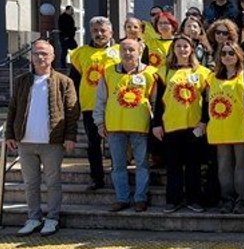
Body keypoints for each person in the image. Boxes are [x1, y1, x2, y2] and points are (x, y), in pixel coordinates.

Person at [6, 40, 79, 236]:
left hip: (52, 141)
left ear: (53, 57)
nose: (40, 57)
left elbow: (72, 112)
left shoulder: (64, 81)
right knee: (30, 183)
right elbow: (13, 108)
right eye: (36, 53)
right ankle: (33, 218)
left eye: (45, 53)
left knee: (53, 182)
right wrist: (10, 134)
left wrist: (70, 136)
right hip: (25, 141)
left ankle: (52, 218)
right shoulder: (22, 81)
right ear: (31, 57)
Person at [94, 38, 159, 212]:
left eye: (132, 49)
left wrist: (155, 123)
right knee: (118, 166)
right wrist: (99, 122)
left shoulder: (151, 73)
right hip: (114, 126)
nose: (128, 53)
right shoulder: (108, 72)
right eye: (124, 49)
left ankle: (140, 198)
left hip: (140, 126)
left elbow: (155, 102)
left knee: (142, 165)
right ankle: (122, 198)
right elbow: (100, 99)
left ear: (140, 52)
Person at [151, 35, 211, 213]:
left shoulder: (203, 72)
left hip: (195, 126)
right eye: (178, 46)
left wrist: (204, 121)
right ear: (173, 49)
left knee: (194, 166)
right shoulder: (163, 71)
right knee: (173, 166)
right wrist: (156, 124)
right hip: (171, 125)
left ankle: (194, 199)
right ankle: (173, 200)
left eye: (186, 46)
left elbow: (208, 101)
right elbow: (157, 101)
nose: (182, 49)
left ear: (192, 49)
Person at [205, 41, 244, 214]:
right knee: (224, 168)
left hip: (241, 128)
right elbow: (207, 102)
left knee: (242, 168)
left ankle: (243, 200)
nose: (227, 56)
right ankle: (227, 199)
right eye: (224, 53)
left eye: (231, 53)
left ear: (238, 55)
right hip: (220, 129)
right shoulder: (212, 77)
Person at [69, 16, 120, 191]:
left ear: (111, 32)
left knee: (116, 144)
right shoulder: (80, 53)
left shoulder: (120, 51)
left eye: (103, 30)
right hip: (90, 105)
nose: (99, 34)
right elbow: (73, 81)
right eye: (95, 31)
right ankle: (96, 178)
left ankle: (118, 177)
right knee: (93, 144)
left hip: (116, 105)